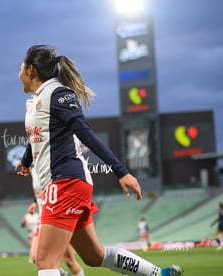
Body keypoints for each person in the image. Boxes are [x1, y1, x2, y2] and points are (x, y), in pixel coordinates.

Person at [15, 45, 183, 276]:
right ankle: (158, 274)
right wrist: (26, 161)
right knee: (95, 256)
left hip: (65, 182)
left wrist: (120, 170)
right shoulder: (33, 102)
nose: (19, 74)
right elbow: (38, 138)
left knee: (44, 261)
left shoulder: (58, 94)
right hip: (65, 183)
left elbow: (85, 133)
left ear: (31, 70)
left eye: (20, 68)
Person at [29, 158, 86, 276]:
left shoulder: (54, 162)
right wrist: (35, 201)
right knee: (36, 257)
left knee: (69, 261)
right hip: (43, 218)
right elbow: (41, 187)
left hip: (58, 215)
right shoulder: (32, 164)